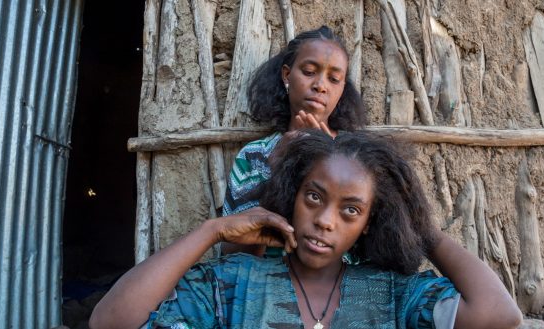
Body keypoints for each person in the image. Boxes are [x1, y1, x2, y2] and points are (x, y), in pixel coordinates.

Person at [89, 130, 522, 329]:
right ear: (292, 196)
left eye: (351, 211)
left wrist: (417, 226)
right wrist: (212, 231)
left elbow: (499, 315)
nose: (326, 219)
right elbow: (111, 321)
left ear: (370, 222)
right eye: (314, 197)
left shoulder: (394, 295)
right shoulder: (232, 285)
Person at [221, 25, 365, 256]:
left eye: (334, 78)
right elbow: (232, 254)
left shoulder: (358, 156)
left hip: (339, 288)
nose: (320, 85)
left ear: (342, 89)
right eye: (309, 71)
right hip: (263, 286)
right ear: (287, 75)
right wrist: (278, 168)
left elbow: (370, 245)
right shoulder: (255, 156)